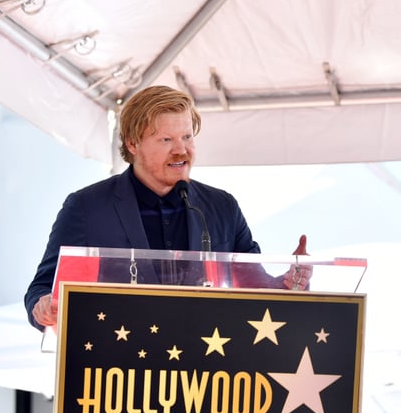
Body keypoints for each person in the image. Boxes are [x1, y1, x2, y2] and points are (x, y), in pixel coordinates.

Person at [25, 85, 311, 332]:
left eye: (187, 137)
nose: (181, 150)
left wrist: (288, 283)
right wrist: (43, 307)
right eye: (166, 140)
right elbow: (42, 290)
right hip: (119, 370)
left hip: (204, 372)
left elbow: (254, 288)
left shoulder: (221, 207)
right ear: (133, 143)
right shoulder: (87, 208)